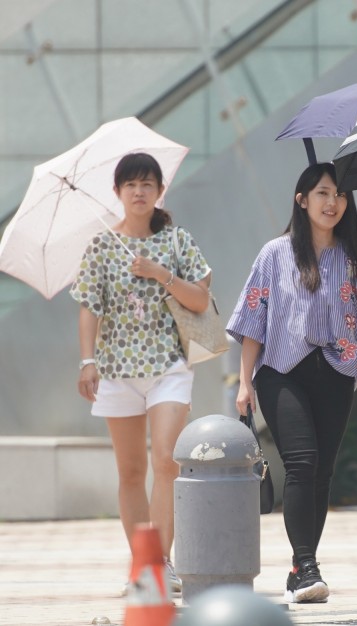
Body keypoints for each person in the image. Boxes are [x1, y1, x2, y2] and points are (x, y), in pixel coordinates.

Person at [227, 162, 357, 604]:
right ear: (301, 200)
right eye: (322, 193)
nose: (332, 202)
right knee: (302, 463)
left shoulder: (354, 256)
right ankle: (306, 567)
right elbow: (252, 323)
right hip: (281, 372)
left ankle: (303, 565)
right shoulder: (274, 253)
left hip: (338, 372)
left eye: (339, 195)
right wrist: (244, 384)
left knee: (322, 472)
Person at [71, 152, 212, 595]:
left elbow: (201, 300)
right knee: (131, 472)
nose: (138, 191)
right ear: (117, 193)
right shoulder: (101, 246)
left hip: (169, 365)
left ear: (159, 191)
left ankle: (162, 563)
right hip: (116, 370)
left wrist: (160, 274)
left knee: (166, 462)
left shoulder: (177, 241)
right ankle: (142, 567)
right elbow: (89, 306)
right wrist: (86, 360)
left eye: (147, 184)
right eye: (130, 184)